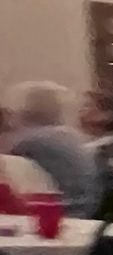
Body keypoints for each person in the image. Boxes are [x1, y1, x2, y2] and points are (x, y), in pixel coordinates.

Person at [3, 83, 100, 217]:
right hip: (84, 209)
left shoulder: (32, 140)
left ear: (27, 111)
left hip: (63, 212)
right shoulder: (70, 136)